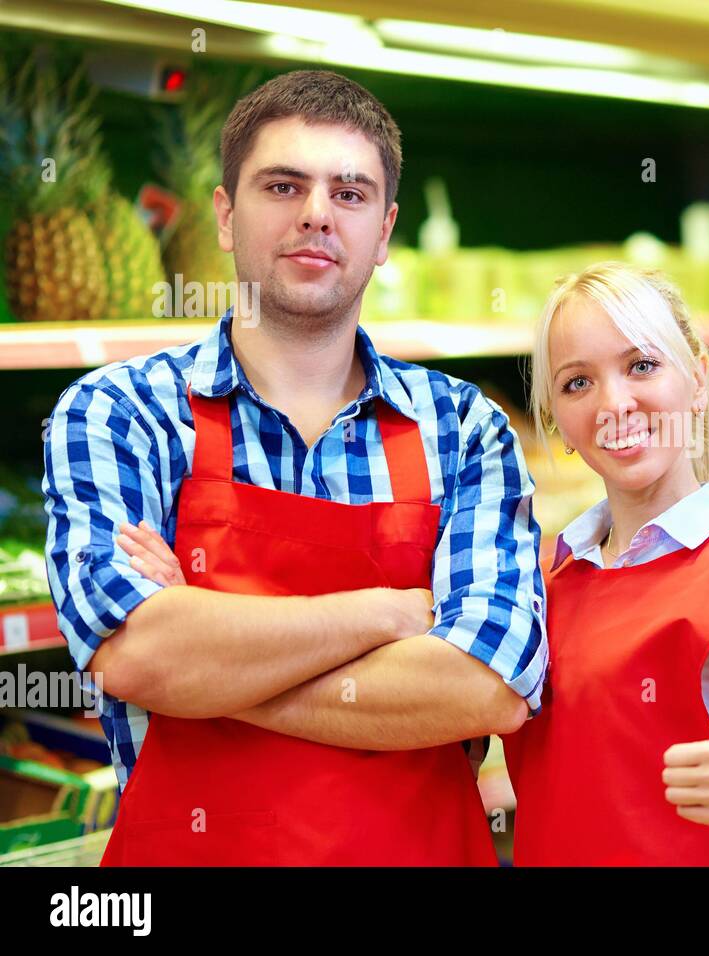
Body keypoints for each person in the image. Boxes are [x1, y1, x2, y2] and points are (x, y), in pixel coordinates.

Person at [41, 70, 547, 866]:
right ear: (224, 215)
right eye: (283, 184)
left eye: (349, 193)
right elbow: (139, 655)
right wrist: (392, 614)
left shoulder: (464, 429)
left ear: (383, 233)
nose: (316, 212)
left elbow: (485, 689)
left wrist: (209, 670)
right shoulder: (118, 413)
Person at [502, 262, 709, 866]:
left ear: (695, 376)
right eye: (577, 383)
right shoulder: (536, 582)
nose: (614, 403)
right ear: (555, 419)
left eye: (642, 365)